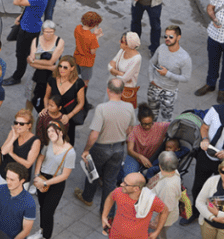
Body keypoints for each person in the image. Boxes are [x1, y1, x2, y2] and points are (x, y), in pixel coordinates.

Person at [75, 79, 136, 212]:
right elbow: (130, 129)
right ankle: (107, 212)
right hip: (119, 149)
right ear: (123, 92)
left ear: (108, 90)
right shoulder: (129, 107)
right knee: (110, 181)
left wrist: (86, 150)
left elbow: (94, 135)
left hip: (101, 148)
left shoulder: (102, 108)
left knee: (93, 172)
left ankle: (87, 197)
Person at [184, 92, 224, 226]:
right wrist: (205, 139)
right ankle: (196, 212)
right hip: (207, 156)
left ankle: (215, 216)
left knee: (221, 189)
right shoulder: (215, 111)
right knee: (198, 185)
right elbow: (204, 126)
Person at [28, 120, 75, 239]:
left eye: (53, 131)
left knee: (48, 211)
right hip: (42, 178)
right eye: (48, 131)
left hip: (55, 183)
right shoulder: (48, 144)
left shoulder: (70, 152)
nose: (50, 134)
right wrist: (37, 176)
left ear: (60, 132)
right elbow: (40, 158)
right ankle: (42, 230)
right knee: (42, 207)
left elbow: (65, 175)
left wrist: (46, 183)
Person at [5, 0, 49, 86]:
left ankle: (17, 76)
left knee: (21, 54)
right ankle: (38, 57)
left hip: (28, 30)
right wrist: (21, 15)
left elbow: (16, 1)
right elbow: (30, 7)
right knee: (28, 50)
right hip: (27, 25)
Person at [148, 24, 191, 122]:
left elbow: (186, 78)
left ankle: (164, 135)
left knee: (166, 119)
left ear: (178, 37)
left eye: (171, 37)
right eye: (165, 36)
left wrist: (167, 74)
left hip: (169, 91)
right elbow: (151, 63)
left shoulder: (185, 57)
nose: (167, 39)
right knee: (151, 115)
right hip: (154, 87)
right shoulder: (161, 48)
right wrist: (151, 79)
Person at [44, 55, 86, 145]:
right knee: (49, 141)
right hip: (53, 116)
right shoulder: (52, 79)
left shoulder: (78, 83)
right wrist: (47, 110)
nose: (61, 69)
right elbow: (46, 97)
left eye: (65, 67)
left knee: (66, 142)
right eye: (60, 66)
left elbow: (81, 103)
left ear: (72, 68)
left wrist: (69, 116)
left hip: (68, 118)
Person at [121, 104, 169, 179]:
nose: (147, 126)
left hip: (153, 159)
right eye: (144, 124)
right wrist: (141, 157)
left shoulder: (161, 127)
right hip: (135, 157)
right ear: (139, 121)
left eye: (149, 123)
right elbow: (130, 150)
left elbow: (175, 124)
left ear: (153, 119)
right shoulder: (134, 130)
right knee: (128, 178)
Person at [0, 109, 41, 185]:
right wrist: (13, 138)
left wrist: (12, 154)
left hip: (20, 180)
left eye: (21, 124)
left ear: (29, 126)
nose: (18, 126)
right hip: (5, 175)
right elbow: (3, 151)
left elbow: (28, 164)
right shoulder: (13, 133)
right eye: (16, 123)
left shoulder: (35, 142)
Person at [27, 20, 64, 111]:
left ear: (54, 31)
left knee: (48, 98)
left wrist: (35, 61)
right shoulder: (36, 40)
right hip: (35, 74)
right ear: (42, 31)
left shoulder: (59, 42)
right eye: (46, 32)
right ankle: (28, 116)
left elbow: (51, 61)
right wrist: (50, 67)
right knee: (30, 97)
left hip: (51, 77)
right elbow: (32, 63)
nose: (48, 34)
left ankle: (44, 118)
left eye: (51, 32)